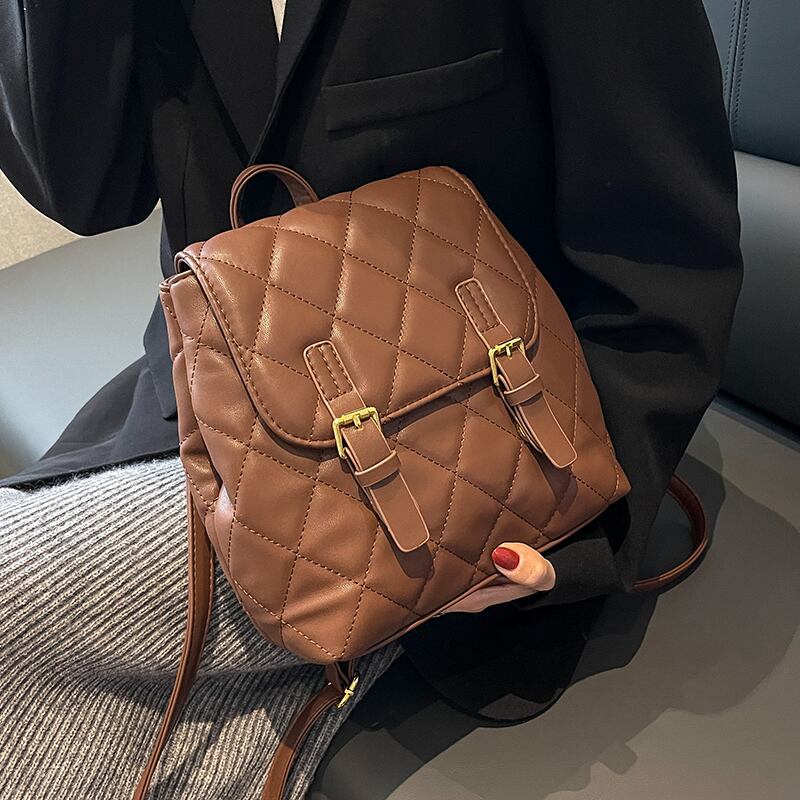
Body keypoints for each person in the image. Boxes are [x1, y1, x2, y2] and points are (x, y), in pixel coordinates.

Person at [0, 0, 742, 797]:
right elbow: (85, 191)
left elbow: (666, 255)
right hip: (200, 410)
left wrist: (571, 534)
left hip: (459, 468)